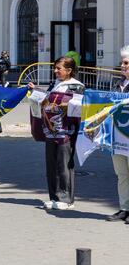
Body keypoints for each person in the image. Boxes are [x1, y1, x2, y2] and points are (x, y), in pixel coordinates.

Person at [29, 56, 84, 210]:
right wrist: (36, 92)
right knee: (51, 164)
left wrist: (62, 104)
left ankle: (66, 199)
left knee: (64, 164)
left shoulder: (76, 86)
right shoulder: (55, 84)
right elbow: (47, 100)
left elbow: (80, 105)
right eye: (55, 68)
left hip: (66, 132)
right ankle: (54, 197)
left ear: (69, 70)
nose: (55, 71)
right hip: (50, 130)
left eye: (59, 68)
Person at [107, 46, 129, 222]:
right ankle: (124, 208)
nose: (122, 66)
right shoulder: (118, 84)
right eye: (122, 62)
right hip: (118, 137)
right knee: (121, 174)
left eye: (126, 63)